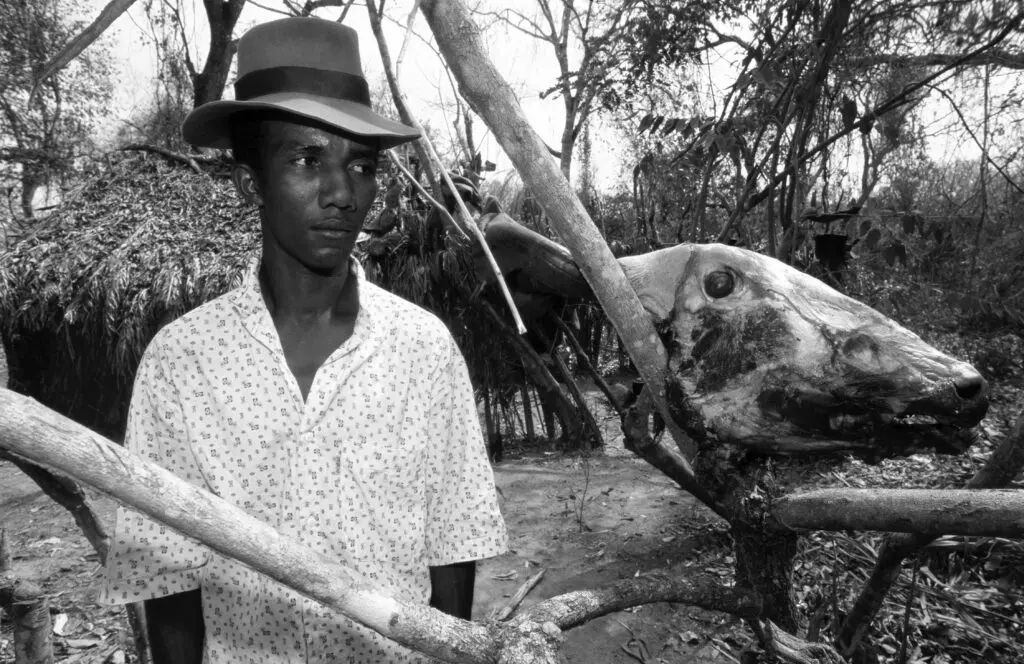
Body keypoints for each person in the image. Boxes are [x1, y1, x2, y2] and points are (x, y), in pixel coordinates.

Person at [98, 16, 508, 664]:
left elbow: (451, 554)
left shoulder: (424, 352)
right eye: (306, 158)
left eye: (362, 165)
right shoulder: (182, 365)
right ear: (249, 180)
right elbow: (170, 585)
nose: (343, 193)